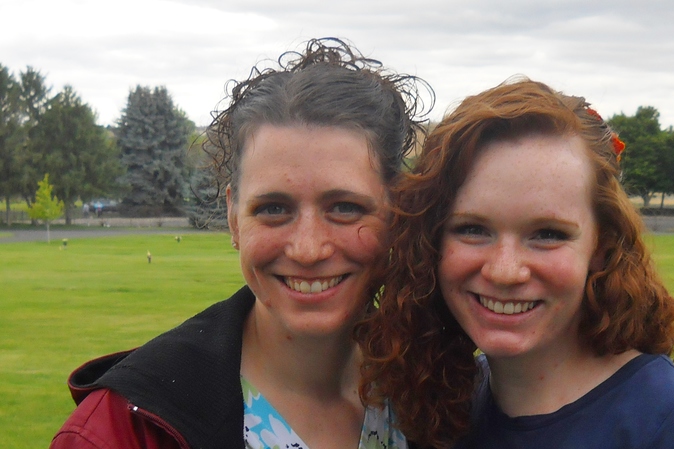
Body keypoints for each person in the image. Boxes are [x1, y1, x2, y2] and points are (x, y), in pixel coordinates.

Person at [50, 37, 431, 449]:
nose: (307, 249)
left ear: (398, 210)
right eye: (273, 209)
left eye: (344, 207)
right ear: (234, 216)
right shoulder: (120, 432)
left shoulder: (433, 392)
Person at [357, 78, 674, 449]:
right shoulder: (443, 411)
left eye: (547, 234)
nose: (505, 270)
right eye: (473, 229)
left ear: (601, 247)